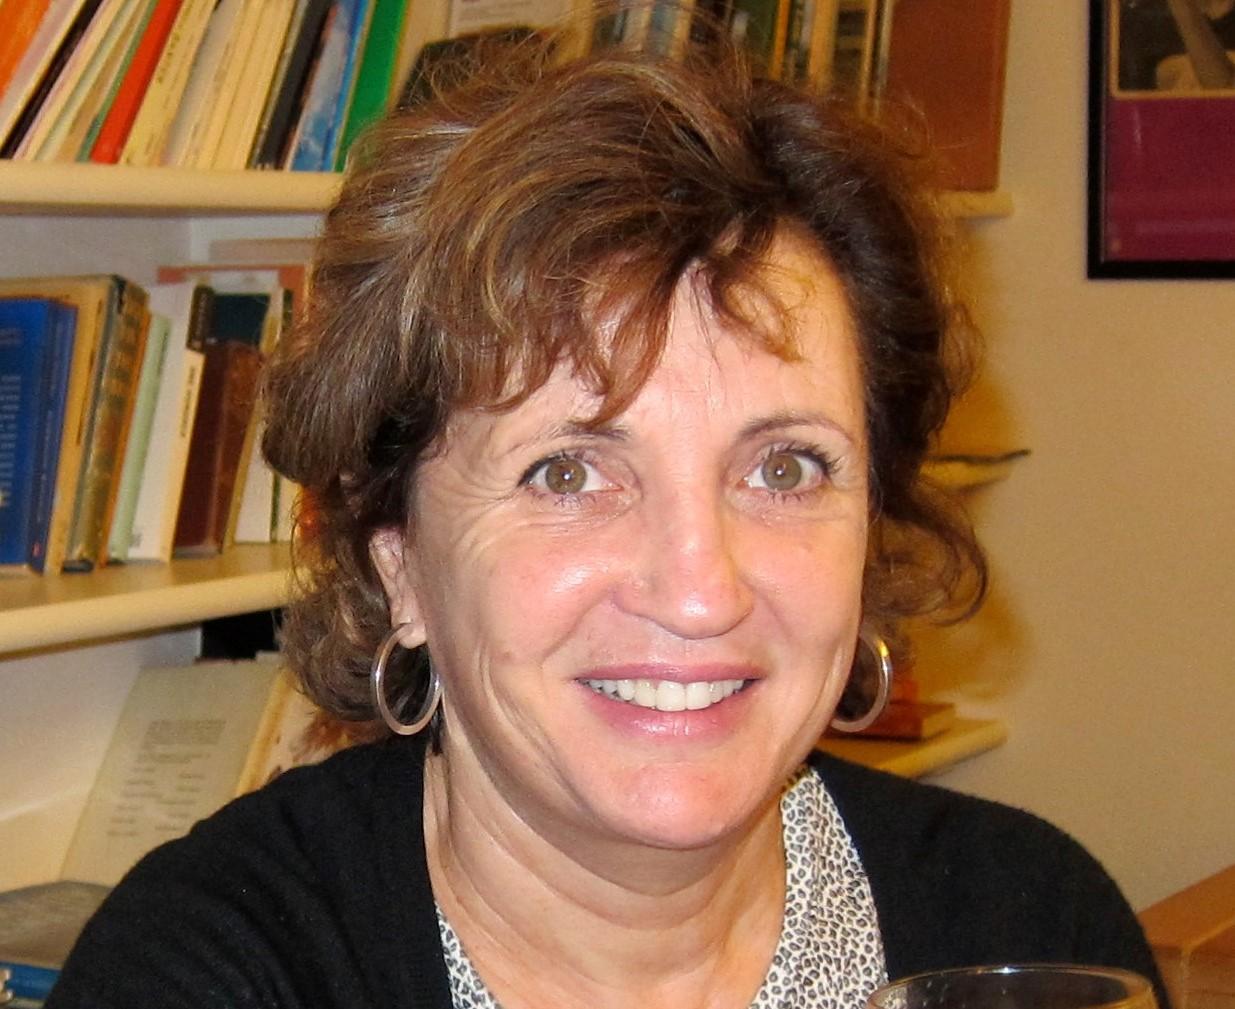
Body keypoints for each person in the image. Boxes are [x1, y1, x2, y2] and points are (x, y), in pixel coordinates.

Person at [47, 35, 1166, 1009]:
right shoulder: (209, 970)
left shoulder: (1034, 929)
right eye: (567, 474)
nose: (698, 587)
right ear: (400, 563)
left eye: (783, 466)